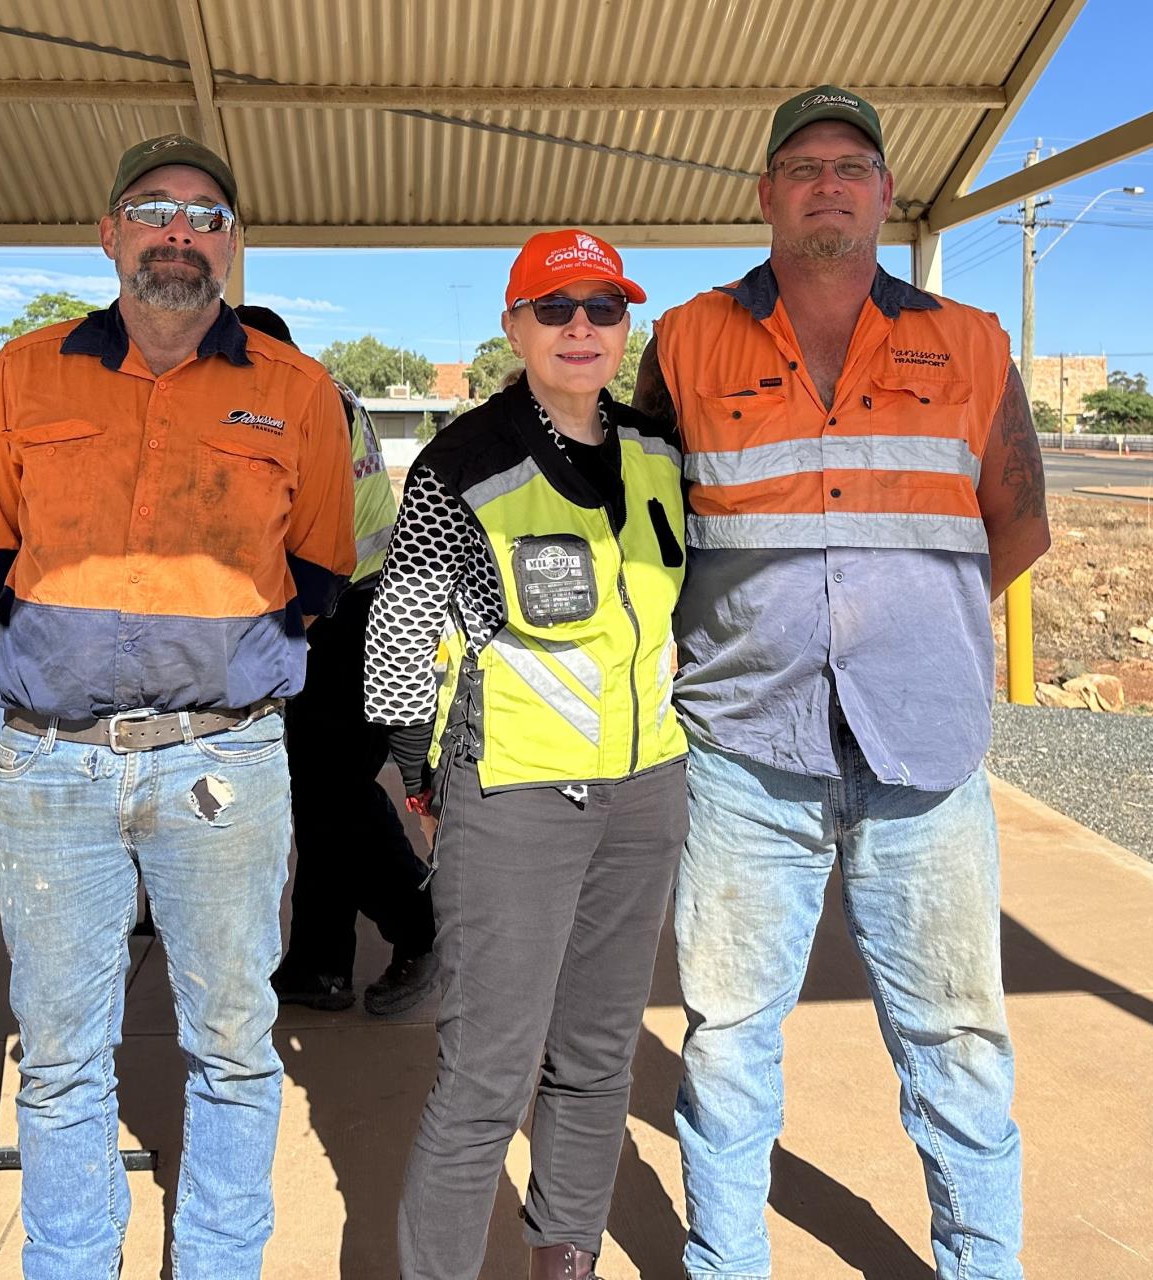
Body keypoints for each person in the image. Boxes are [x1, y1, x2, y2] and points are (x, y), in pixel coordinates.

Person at [633, 87, 1051, 1279]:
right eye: (802, 165)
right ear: (766, 194)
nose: (827, 181)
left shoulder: (971, 341)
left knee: (958, 1037)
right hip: (744, 750)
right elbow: (645, 523)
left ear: (883, 192)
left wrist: (903, 629)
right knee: (724, 1040)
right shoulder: (684, 341)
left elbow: (1014, 526)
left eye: (851, 164)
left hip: (923, 753)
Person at [0, 135, 355, 1279]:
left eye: (207, 216)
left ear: (230, 246)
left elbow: (316, 576)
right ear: (110, 232)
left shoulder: (296, 391)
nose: (180, 232)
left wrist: (200, 680)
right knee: (64, 1056)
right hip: (50, 769)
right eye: (155, 209)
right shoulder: (23, 376)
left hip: (221, 765)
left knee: (233, 1044)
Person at [364, 229, 689, 1280]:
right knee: (487, 1074)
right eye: (556, 309)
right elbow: (400, 630)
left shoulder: (655, 453)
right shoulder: (462, 462)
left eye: (603, 306)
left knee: (596, 1058)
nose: (582, 328)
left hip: (645, 793)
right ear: (514, 327)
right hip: (514, 797)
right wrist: (416, 772)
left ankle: (565, 1257)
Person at [235, 304, 438, 1015]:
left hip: (345, 616)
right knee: (322, 794)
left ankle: (424, 923)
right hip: (365, 608)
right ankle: (319, 964)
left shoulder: (293, 401)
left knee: (332, 794)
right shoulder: (326, 391)